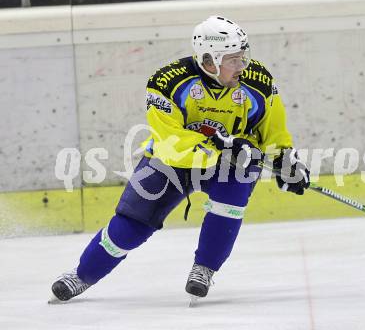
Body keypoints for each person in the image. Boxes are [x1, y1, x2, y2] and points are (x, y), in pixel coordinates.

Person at [50, 15, 310, 303]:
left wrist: (287, 161)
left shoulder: (258, 82)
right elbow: (170, 142)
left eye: (243, 56)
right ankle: (83, 274)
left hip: (226, 165)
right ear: (210, 61)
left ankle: (205, 268)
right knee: (130, 226)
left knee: (233, 192)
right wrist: (223, 145)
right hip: (170, 162)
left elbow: (273, 130)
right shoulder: (167, 82)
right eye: (233, 59)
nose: (242, 66)